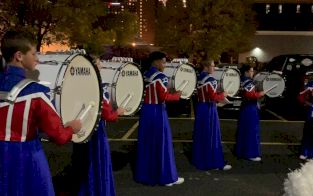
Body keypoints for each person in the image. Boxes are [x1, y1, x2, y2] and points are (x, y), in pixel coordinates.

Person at [0, 31, 81, 195]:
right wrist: (72, 128)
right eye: (33, 53)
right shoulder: (37, 92)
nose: (37, 58)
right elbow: (59, 136)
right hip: (26, 157)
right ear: (19, 56)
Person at [69, 55, 125, 196]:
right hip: (95, 129)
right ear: (93, 66)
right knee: (96, 162)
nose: (101, 66)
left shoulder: (74, 83)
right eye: (99, 64)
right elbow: (107, 114)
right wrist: (117, 112)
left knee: (80, 161)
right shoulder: (99, 86)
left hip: (80, 128)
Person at [134, 51, 184, 186]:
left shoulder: (145, 74)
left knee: (148, 143)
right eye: (163, 61)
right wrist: (177, 96)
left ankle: (146, 174)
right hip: (157, 111)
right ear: (155, 62)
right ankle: (166, 177)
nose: (165, 64)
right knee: (162, 143)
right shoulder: (160, 76)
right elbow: (163, 97)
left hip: (146, 111)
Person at [192, 59, 232, 170]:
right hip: (209, 109)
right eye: (213, 66)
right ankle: (213, 162)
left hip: (200, 108)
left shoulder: (199, 78)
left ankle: (200, 159)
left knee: (201, 135)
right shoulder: (211, 79)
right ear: (206, 66)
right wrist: (224, 94)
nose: (214, 68)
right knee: (212, 135)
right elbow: (213, 97)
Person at [235, 64, 264, 161]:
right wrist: (260, 93)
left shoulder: (242, 80)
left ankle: (241, 151)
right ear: (246, 72)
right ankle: (250, 154)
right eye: (251, 71)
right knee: (251, 130)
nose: (253, 73)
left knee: (244, 130)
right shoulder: (248, 82)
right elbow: (250, 95)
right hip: (250, 108)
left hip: (245, 107)